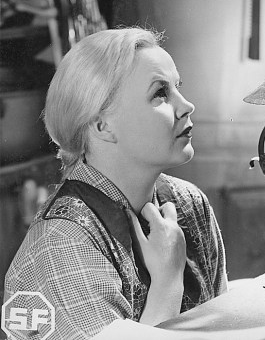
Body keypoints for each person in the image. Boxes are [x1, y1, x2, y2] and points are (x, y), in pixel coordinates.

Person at [4, 28, 228, 339]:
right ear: (102, 126)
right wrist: (168, 283)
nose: (186, 105)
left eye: (178, 87)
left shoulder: (189, 202)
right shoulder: (63, 243)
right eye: (160, 93)